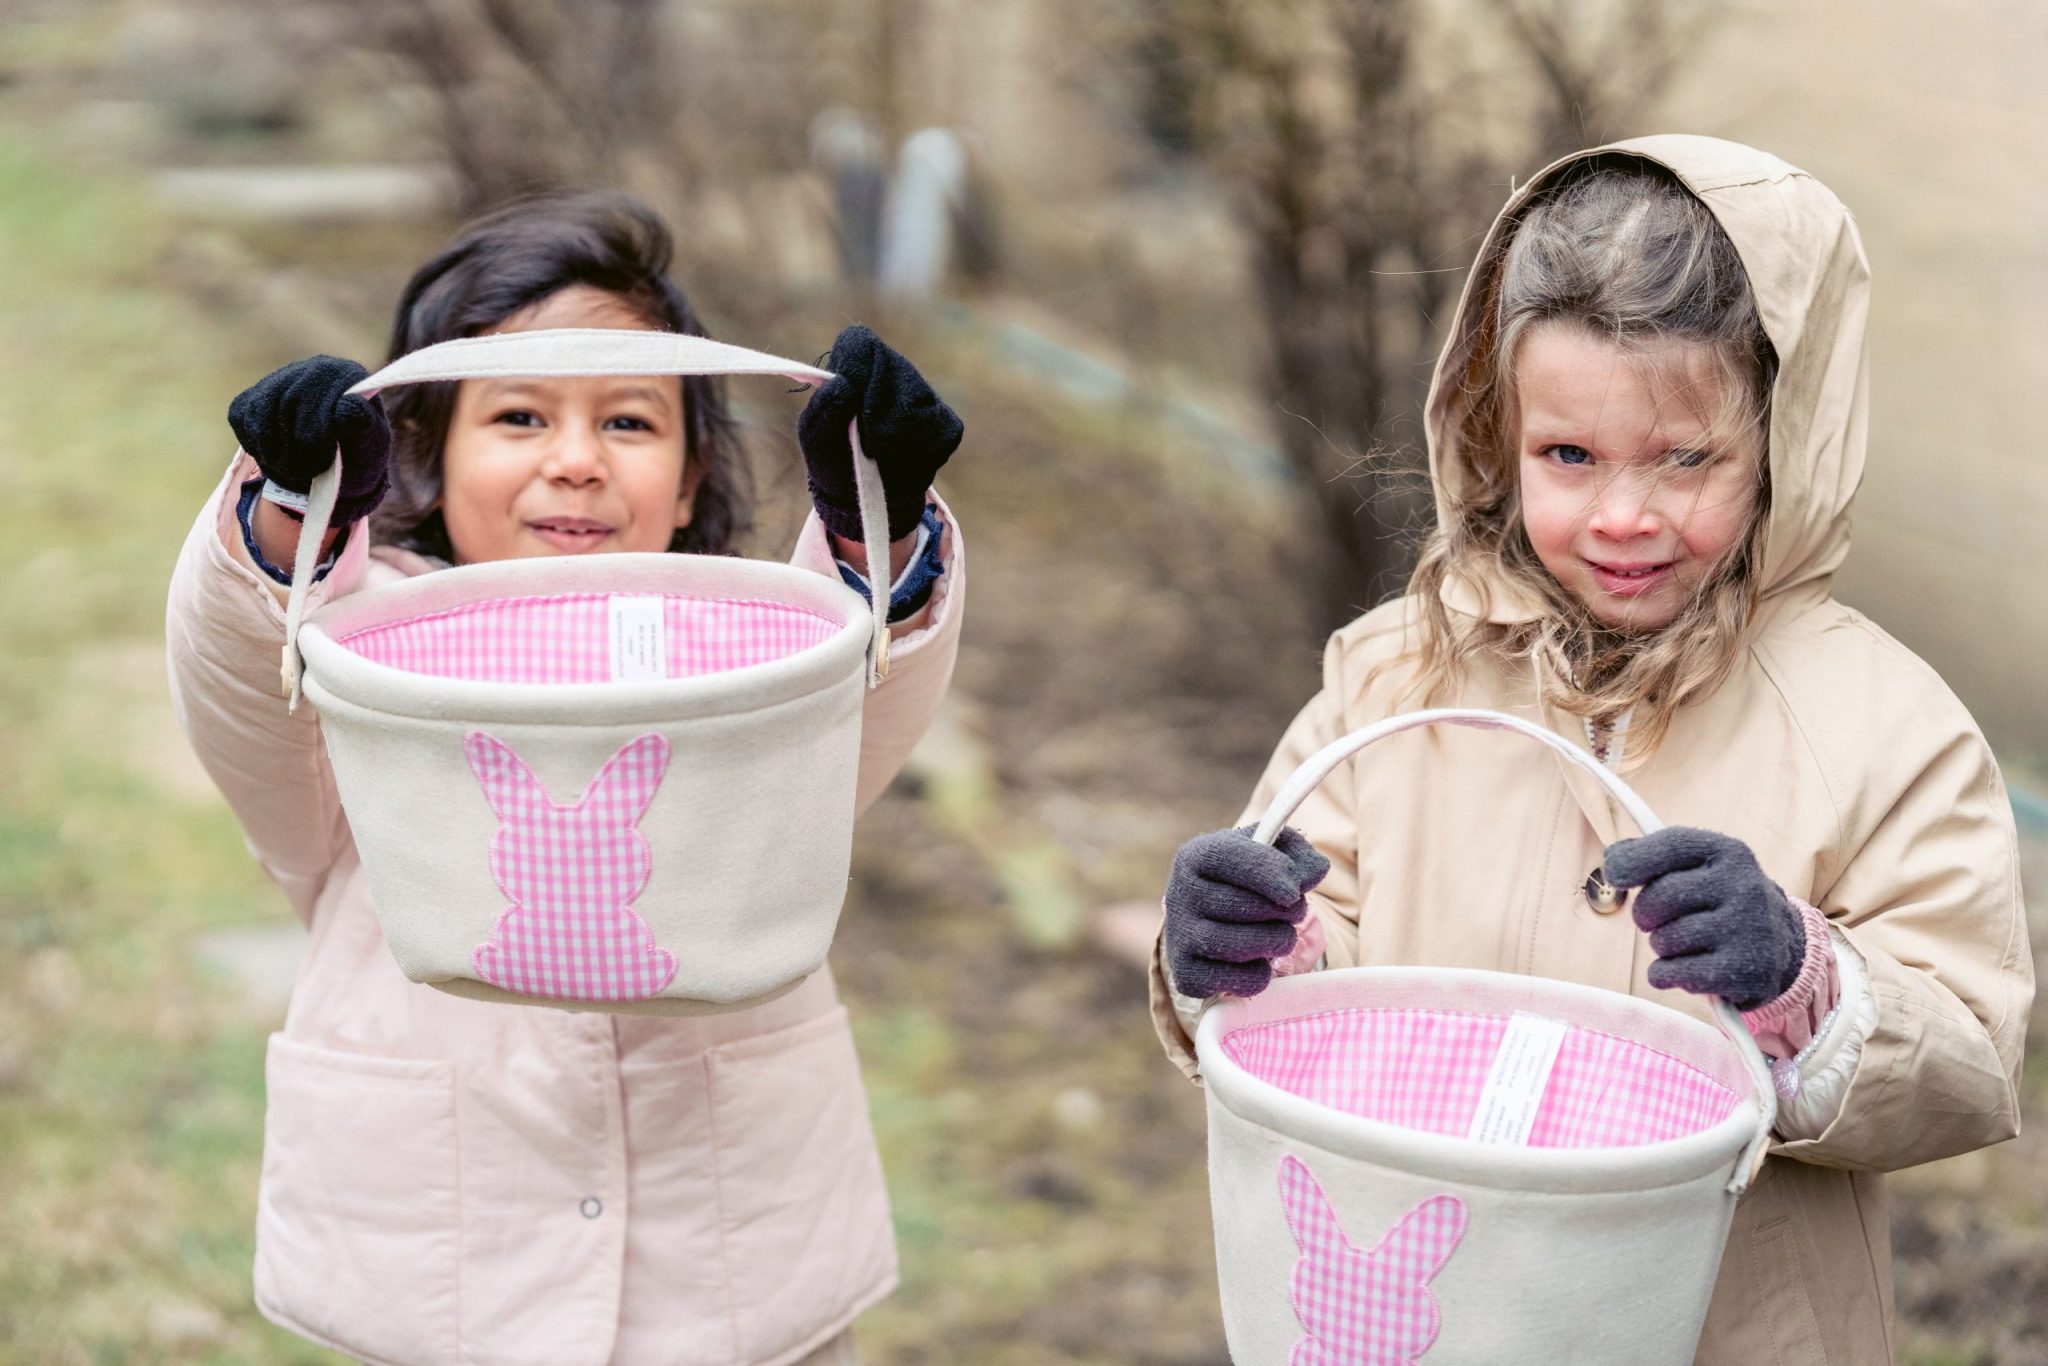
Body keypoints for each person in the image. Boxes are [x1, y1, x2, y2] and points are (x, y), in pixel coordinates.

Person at [1152, 136, 2031, 1363]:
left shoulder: (1883, 725)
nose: (1623, 516)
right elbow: (1319, 973)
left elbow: (1969, 1061)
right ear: (1493, 428)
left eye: (1686, 457)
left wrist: (1800, 982)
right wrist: (1245, 949)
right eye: (1567, 455)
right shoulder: (1396, 673)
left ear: (1783, 441)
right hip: (1427, 1320)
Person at [166, 191, 966, 1366]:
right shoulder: (350, 652)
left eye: (632, 423)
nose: (578, 461)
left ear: (692, 480)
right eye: (521, 414)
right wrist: (285, 524)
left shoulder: (750, 653)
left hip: (730, 1269)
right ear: (421, 457)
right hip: (442, 1268)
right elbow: (240, 684)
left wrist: (874, 533)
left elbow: (863, 697)